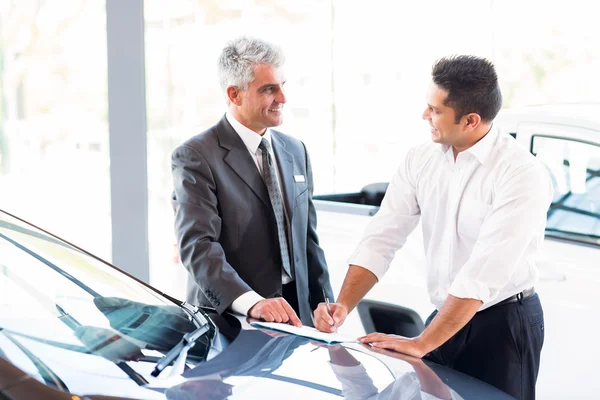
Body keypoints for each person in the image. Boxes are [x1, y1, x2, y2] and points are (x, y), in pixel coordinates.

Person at [314, 55, 553, 399]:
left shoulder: (521, 173)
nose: (425, 116)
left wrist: (424, 342)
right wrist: (343, 306)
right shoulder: (420, 159)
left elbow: (482, 273)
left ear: (471, 120)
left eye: (435, 110)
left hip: (503, 324)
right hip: (444, 316)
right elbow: (383, 237)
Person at [171, 36, 333, 327]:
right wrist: (253, 303)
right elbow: (198, 246)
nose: (282, 98)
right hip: (232, 320)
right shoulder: (196, 156)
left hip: (296, 318)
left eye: (283, 86)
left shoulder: (296, 150)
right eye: (269, 89)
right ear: (235, 94)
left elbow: (307, 238)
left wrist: (322, 300)